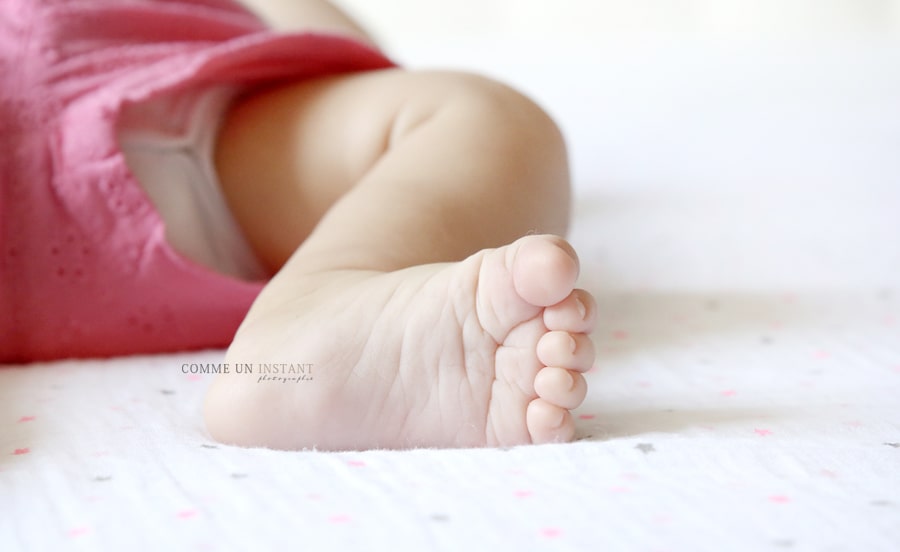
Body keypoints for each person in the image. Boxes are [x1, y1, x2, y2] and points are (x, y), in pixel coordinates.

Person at [0, 0, 597, 451]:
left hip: (187, 119)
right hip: (191, 117)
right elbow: (350, 46)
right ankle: (312, 311)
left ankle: (314, 325)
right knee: (478, 118)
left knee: (470, 118)